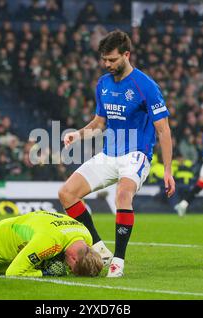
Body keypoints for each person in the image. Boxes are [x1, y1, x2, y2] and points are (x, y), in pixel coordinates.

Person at [58, 30, 176, 278]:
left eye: (112, 60)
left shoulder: (146, 86)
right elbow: (99, 123)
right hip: (109, 154)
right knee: (66, 193)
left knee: (123, 195)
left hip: (136, 155)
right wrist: (77, 134)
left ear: (126, 54)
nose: (107, 65)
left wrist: (167, 170)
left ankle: (118, 262)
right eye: (104, 60)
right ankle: (100, 248)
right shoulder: (103, 83)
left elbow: (163, 131)